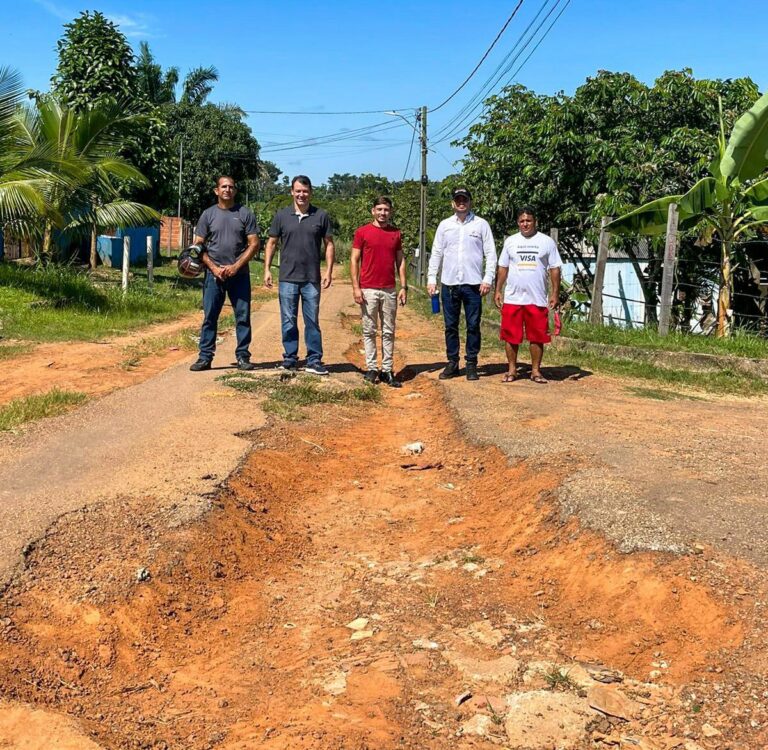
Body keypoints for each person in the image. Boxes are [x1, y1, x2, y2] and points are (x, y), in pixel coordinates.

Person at [264, 176, 335, 375]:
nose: (301, 195)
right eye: (298, 191)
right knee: (288, 320)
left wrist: (328, 271)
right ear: (292, 192)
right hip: (287, 277)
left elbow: (329, 244)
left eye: (305, 191)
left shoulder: (321, 215)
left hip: (311, 278)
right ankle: (290, 357)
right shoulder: (282, 216)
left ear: (310, 192)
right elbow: (271, 243)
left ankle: (314, 359)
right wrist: (267, 269)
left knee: (312, 320)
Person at [189, 176, 260, 372]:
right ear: (216, 190)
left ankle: (243, 357)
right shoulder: (208, 215)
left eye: (231, 186)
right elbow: (198, 245)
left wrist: (236, 266)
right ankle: (205, 357)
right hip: (214, 275)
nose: (227, 189)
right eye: (224, 186)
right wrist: (213, 267)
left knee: (243, 317)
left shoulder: (245, 214)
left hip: (239, 275)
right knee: (210, 316)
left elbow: (254, 244)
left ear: (235, 191)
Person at [427, 187, 497, 381]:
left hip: (473, 284)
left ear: (470, 202)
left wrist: (488, 278)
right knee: (451, 325)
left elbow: (490, 253)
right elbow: (437, 253)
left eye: (464, 199)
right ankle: (452, 363)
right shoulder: (444, 225)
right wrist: (432, 278)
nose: (461, 202)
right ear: (453, 203)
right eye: (458, 199)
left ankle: (472, 363)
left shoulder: (481, 225)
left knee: (473, 325)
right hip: (449, 283)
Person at [494, 206, 562, 383]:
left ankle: (535, 371)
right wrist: (498, 290)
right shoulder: (510, 242)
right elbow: (503, 268)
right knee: (510, 335)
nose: (525, 224)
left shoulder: (546, 242)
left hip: (537, 298)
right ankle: (511, 370)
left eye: (529, 220)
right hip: (513, 297)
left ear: (535, 222)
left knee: (537, 336)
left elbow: (554, 268)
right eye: (522, 221)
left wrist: (555, 293)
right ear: (518, 222)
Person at [350, 196, 408, 387]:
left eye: (386, 210)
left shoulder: (395, 233)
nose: (383, 213)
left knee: (389, 331)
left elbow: (400, 261)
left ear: (390, 212)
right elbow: (354, 259)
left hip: (389, 289)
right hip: (368, 289)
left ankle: (387, 370)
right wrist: (356, 287)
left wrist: (403, 286)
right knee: (369, 330)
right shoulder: (362, 232)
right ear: (373, 211)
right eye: (380, 209)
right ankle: (372, 368)